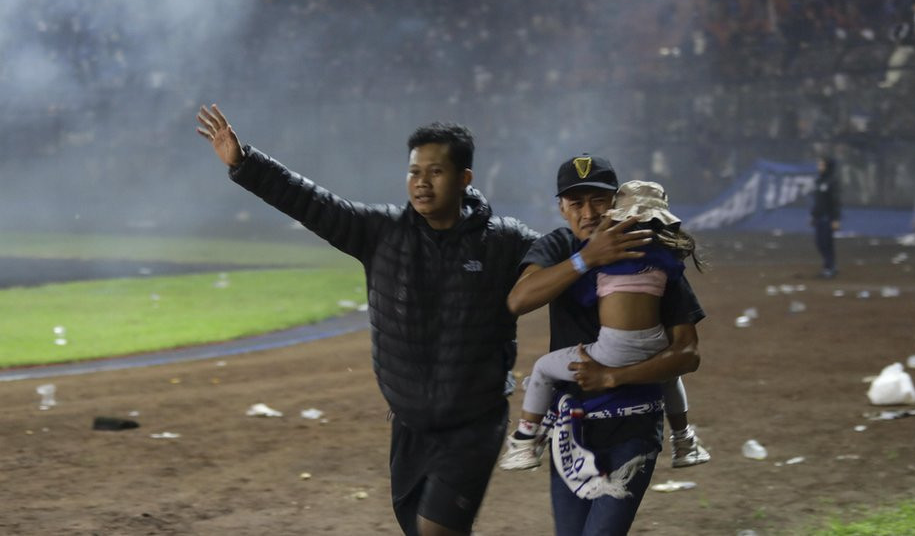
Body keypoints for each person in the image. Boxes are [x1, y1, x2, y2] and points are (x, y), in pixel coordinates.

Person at [195, 104, 545, 536]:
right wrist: (245, 163)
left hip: (473, 422)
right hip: (409, 422)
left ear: (464, 179)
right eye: (414, 172)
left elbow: (555, 255)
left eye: (435, 172)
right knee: (420, 528)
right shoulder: (381, 232)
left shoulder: (503, 240)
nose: (421, 182)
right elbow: (312, 202)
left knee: (436, 530)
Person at [506, 154, 706, 535]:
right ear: (561, 207)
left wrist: (615, 377)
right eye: (576, 202)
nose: (588, 212)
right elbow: (518, 300)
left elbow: (688, 353)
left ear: (615, 202)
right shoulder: (560, 246)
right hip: (571, 428)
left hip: (634, 424)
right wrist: (585, 260)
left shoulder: (647, 245)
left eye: (598, 201)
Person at [810, 156, 841, 279]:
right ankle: (830, 265)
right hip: (819, 217)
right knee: (819, 242)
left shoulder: (832, 182)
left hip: (827, 217)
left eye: (822, 165)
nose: (819, 167)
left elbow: (835, 202)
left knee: (826, 243)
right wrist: (813, 215)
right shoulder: (819, 181)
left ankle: (829, 267)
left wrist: (835, 219)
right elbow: (817, 201)